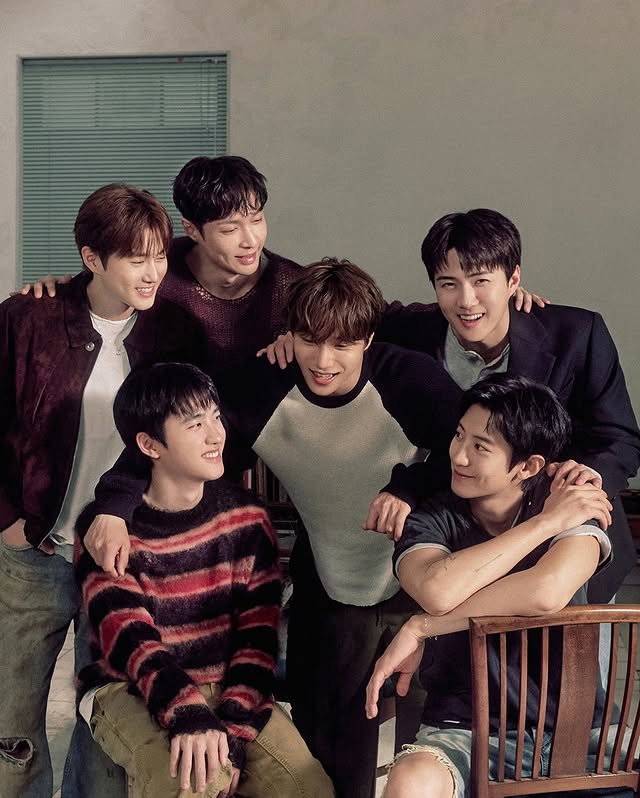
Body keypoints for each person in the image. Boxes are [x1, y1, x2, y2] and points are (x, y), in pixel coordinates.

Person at [80, 258, 464, 798]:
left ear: (367, 339)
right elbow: (170, 442)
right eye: (309, 340)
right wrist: (113, 507)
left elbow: (471, 453)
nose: (323, 361)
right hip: (329, 586)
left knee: (407, 755)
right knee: (320, 763)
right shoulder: (265, 384)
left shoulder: (409, 378)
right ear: (290, 334)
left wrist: (408, 487)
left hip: (418, 583)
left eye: (342, 345)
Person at [0, 184, 204, 798]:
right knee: (11, 724)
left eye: (160, 255)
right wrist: (8, 520)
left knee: (107, 723)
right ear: (92, 259)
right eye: (136, 259)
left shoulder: (174, 334)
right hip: (33, 555)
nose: (154, 272)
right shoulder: (28, 319)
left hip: (121, 560)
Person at [75, 361, 334, 798]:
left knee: (308, 787)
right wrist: (189, 716)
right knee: (193, 782)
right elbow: (133, 642)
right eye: (196, 425)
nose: (217, 435)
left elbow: (257, 640)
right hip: (129, 687)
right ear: (149, 444)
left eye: (215, 417)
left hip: (227, 683)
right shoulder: (108, 532)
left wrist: (233, 728)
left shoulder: (247, 520)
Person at [365, 374, 614, 798]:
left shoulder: (570, 497)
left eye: (480, 447)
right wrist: (546, 524)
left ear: (527, 466)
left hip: (580, 728)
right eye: (458, 436)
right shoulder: (430, 517)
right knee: (410, 784)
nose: (458, 456)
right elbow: (437, 593)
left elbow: (547, 591)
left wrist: (423, 626)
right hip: (464, 727)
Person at [372, 208, 640, 602]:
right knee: (452, 632)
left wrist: (585, 476)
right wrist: (292, 337)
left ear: (513, 279)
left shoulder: (576, 334)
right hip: (461, 546)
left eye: (482, 281)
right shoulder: (413, 332)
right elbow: (339, 314)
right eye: (448, 284)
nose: (466, 301)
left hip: (565, 533)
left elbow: (620, 437)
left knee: (569, 636)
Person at [20, 154, 303, 374]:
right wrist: (60, 295)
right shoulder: (159, 265)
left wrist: (306, 347)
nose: (251, 241)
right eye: (230, 230)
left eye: (257, 220)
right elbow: (107, 278)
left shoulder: (294, 287)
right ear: (192, 230)